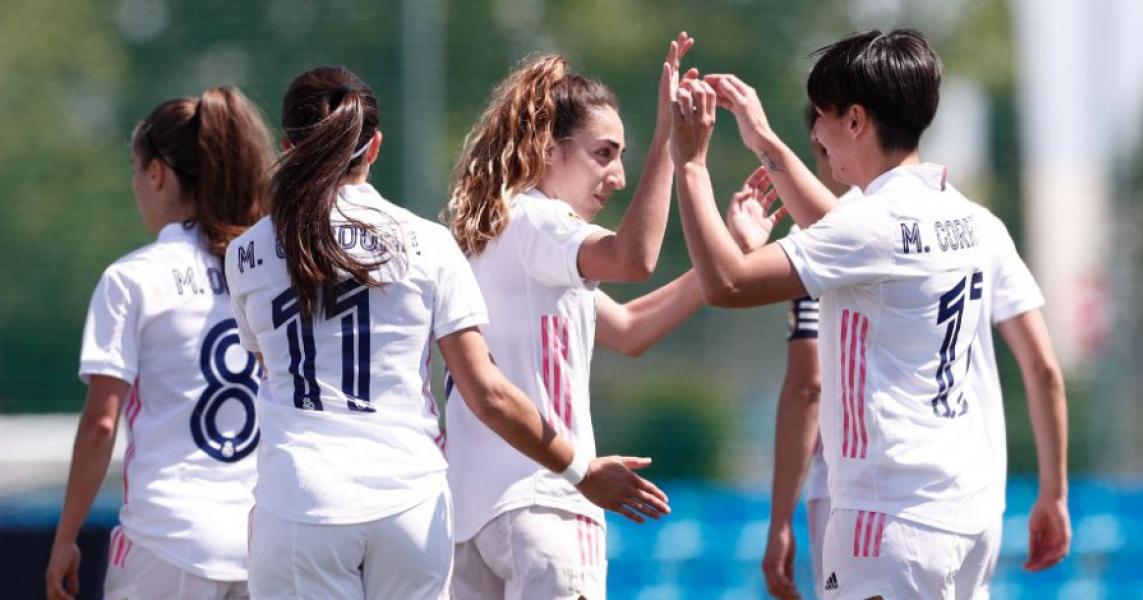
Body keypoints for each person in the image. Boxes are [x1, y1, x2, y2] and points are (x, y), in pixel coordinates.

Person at [224, 65, 665, 600]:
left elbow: (270, 372)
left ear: (289, 146)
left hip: (299, 502)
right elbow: (489, 392)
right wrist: (580, 469)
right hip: (412, 506)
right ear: (376, 146)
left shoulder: (245, 252)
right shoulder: (429, 243)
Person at [669, 29, 1070, 599]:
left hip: (887, 517)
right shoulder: (971, 220)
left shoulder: (871, 225)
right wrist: (763, 139)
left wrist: (690, 166)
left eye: (824, 116)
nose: (815, 132)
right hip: (969, 512)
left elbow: (727, 283)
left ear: (855, 120)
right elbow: (843, 230)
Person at [441, 34, 723, 599]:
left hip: (470, 517)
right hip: (547, 503)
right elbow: (634, 258)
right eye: (604, 153)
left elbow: (628, 329)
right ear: (549, 148)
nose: (617, 176)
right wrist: (672, 147)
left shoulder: (496, 233)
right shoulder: (540, 223)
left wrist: (725, 254)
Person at [45, 86, 276, 600]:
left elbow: (103, 421)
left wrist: (65, 538)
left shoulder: (132, 279)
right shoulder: (267, 272)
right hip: (263, 541)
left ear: (157, 173)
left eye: (135, 170)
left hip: (168, 538)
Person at [756, 106, 862, 600]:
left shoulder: (817, 243)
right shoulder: (955, 223)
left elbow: (810, 384)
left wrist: (781, 520)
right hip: (951, 491)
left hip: (854, 491)